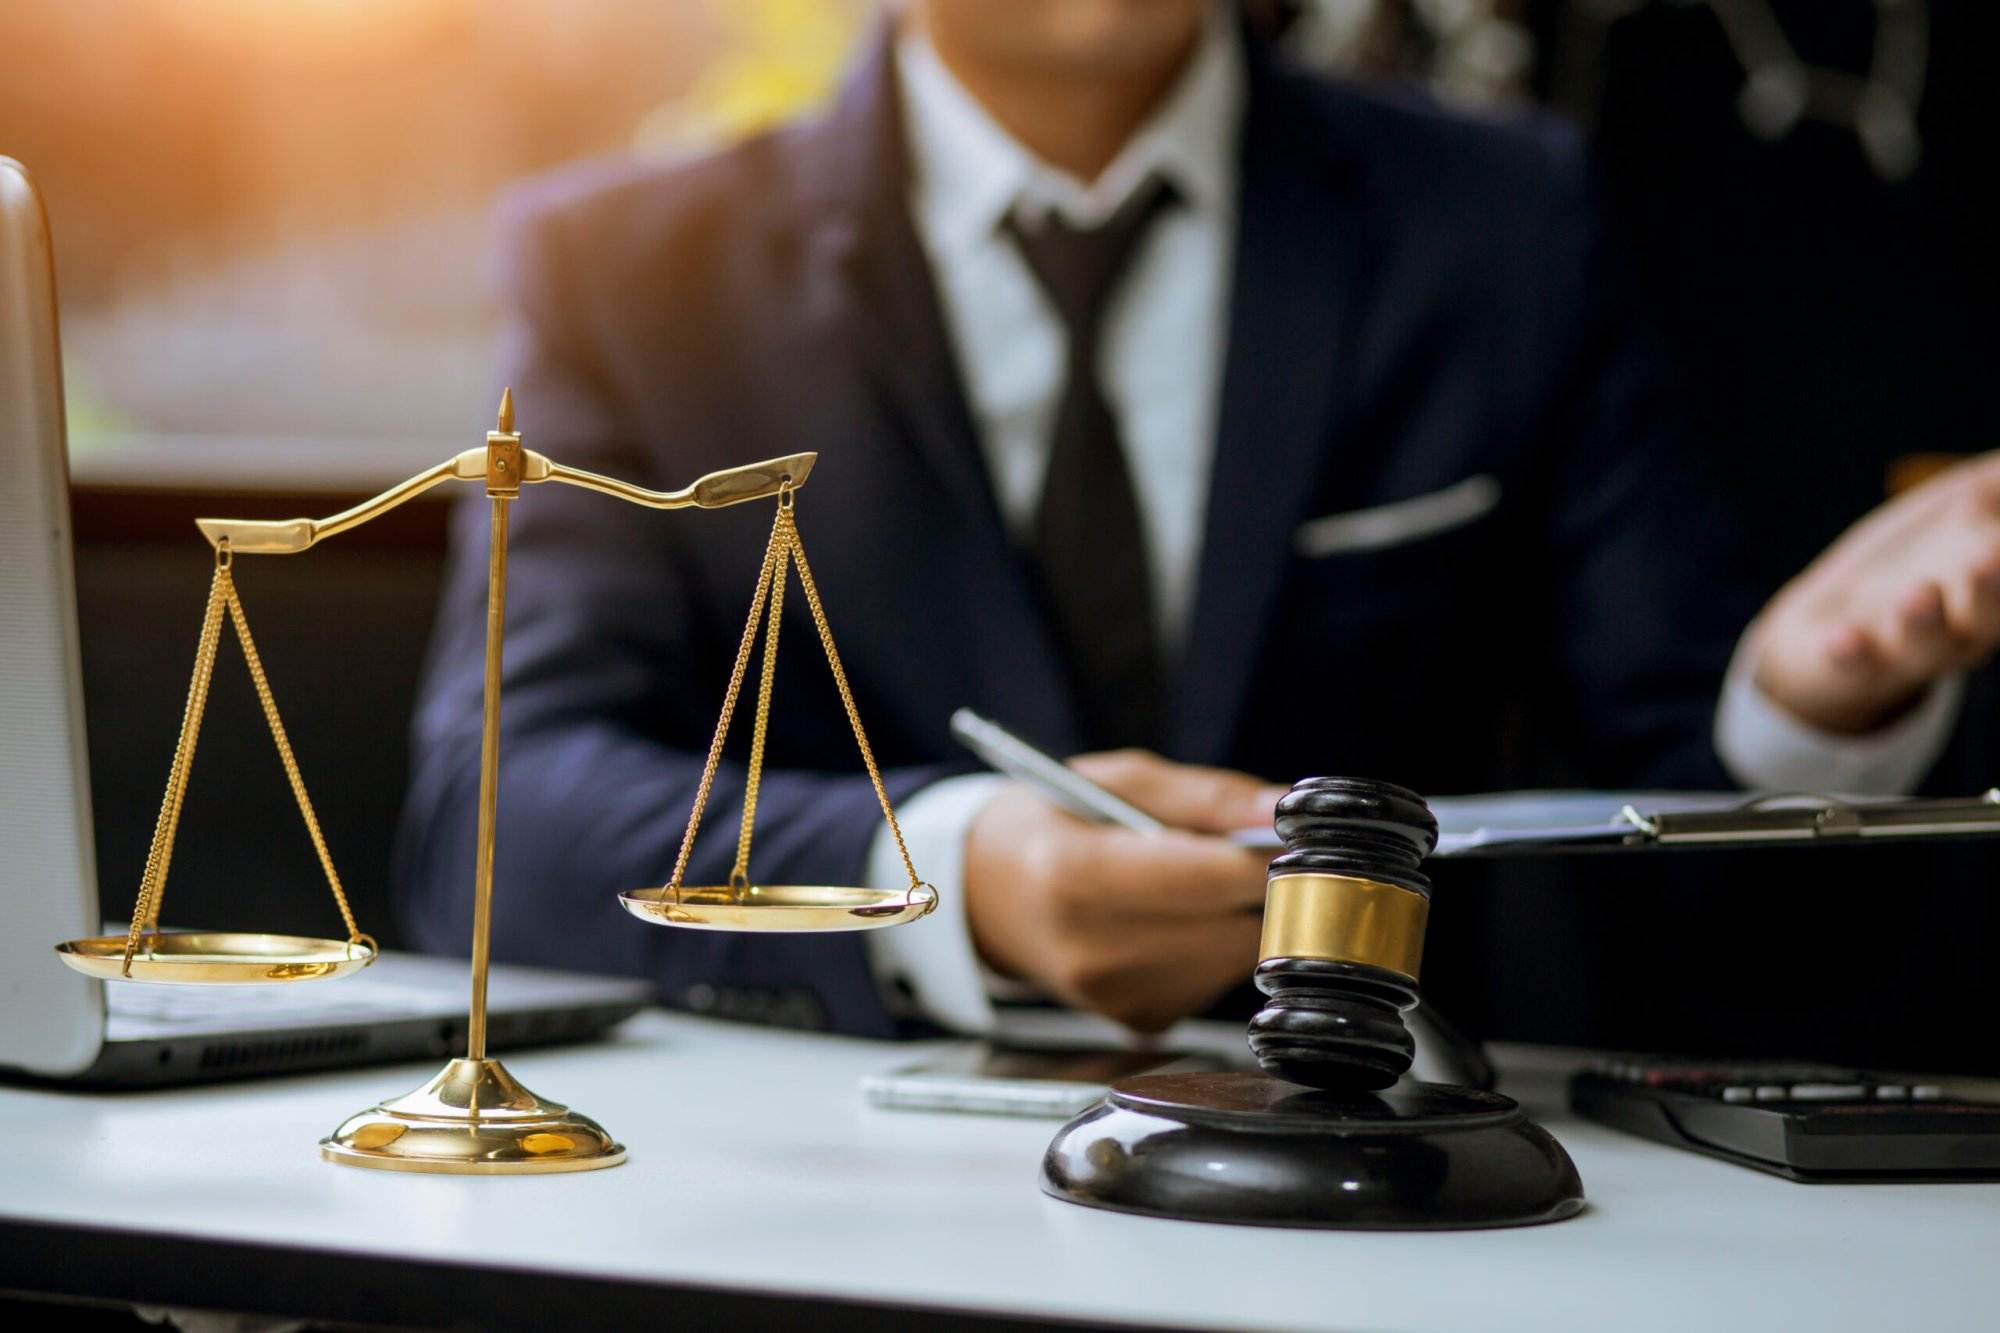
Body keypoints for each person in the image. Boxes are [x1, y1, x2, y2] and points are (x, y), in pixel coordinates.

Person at [396, 0, 2000, 1040]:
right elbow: (498, 812)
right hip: (809, 1203)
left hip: (1379, 1217)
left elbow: (1678, 798)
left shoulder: (1500, 227)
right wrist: (947, 873)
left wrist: (1804, 708)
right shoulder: (625, 275)